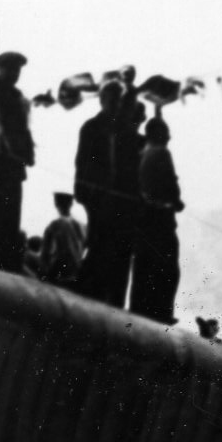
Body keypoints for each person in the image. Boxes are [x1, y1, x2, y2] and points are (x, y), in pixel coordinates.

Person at [74, 80, 141, 307]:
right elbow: (82, 163)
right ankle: (88, 300)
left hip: (123, 204)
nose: (114, 104)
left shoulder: (127, 131)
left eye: (118, 100)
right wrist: (84, 193)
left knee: (120, 255)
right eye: (111, 100)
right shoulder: (91, 128)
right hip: (99, 201)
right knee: (98, 248)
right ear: (102, 100)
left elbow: (133, 169)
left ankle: (114, 304)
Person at [129, 117, 185, 323]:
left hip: (143, 223)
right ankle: (162, 314)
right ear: (158, 134)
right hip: (161, 221)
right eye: (166, 133)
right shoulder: (161, 152)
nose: (169, 137)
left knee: (144, 271)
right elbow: (172, 189)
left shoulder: (141, 154)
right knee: (168, 270)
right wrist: (177, 202)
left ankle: (140, 313)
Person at [0, 51, 36, 172]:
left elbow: (24, 128)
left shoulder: (18, 96)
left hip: (15, 161)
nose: (14, 74)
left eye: (17, 70)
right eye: (10, 69)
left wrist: (29, 151)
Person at [39, 193, 86, 287]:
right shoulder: (81, 225)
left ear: (56, 204)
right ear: (71, 204)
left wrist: (44, 273)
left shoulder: (55, 224)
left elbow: (45, 252)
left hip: (59, 271)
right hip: (76, 271)